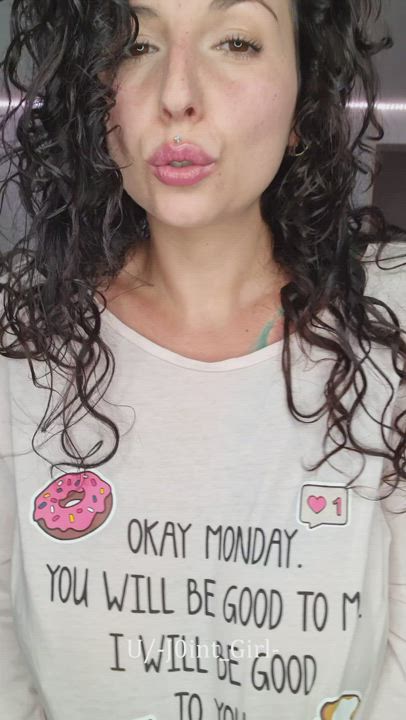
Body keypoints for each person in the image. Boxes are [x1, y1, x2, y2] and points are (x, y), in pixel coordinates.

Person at [0, 0, 406, 718]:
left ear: (304, 92)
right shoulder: (20, 331)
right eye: (135, 45)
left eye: (237, 41)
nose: (177, 95)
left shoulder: (392, 319)